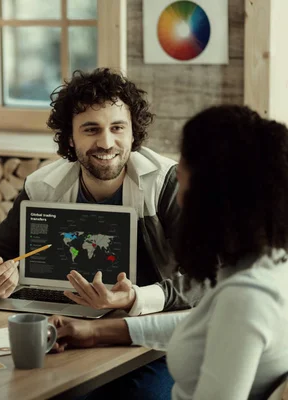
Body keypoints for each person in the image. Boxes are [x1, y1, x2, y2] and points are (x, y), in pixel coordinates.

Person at [0, 68, 202, 399]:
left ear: (134, 133)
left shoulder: (165, 182)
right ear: (70, 138)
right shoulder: (42, 186)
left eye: (117, 128)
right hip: (66, 330)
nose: (106, 143)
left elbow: (207, 277)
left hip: (148, 339)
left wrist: (134, 298)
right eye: (91, 129)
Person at [51, 105, 288, 399]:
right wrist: (95, 332)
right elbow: (204, 322)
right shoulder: (268, 269)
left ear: (213, 195)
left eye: (184, 174)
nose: (177, 195)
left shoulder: (246, 298)